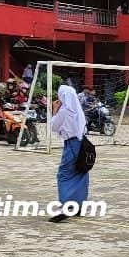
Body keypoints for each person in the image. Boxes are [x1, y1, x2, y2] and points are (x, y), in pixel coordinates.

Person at [49, 85, 89, 223]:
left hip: (72, 144)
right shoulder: (77, 109)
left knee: (64, 174)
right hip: (82, 142)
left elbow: (53, 127)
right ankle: (79, 206)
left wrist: (55, 110)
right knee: (81, 172)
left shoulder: (65, 110)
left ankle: (65, 207)